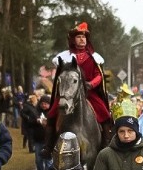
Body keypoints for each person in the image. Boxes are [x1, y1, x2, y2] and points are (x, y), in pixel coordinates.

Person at [46, 22, 112, 155]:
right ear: (73, 39)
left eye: (84, 37)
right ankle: (49, 145)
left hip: (88, 93)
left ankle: (106, 143)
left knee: (104, 112)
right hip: (68, 92)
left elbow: (99, 75)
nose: (82, 39)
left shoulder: (94, 58)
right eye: (78, 37)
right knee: (52, 113)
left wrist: (90, 84)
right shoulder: (64, 57)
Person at [23, 94, 53, 170]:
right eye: (42, 103)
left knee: (48, 161)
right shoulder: (36, 112)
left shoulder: (52, 113)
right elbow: (30, 123)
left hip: (49, 141)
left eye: (46, 104)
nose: (44, 105)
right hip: (38, 140)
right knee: (38, 160)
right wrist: (37, 121)